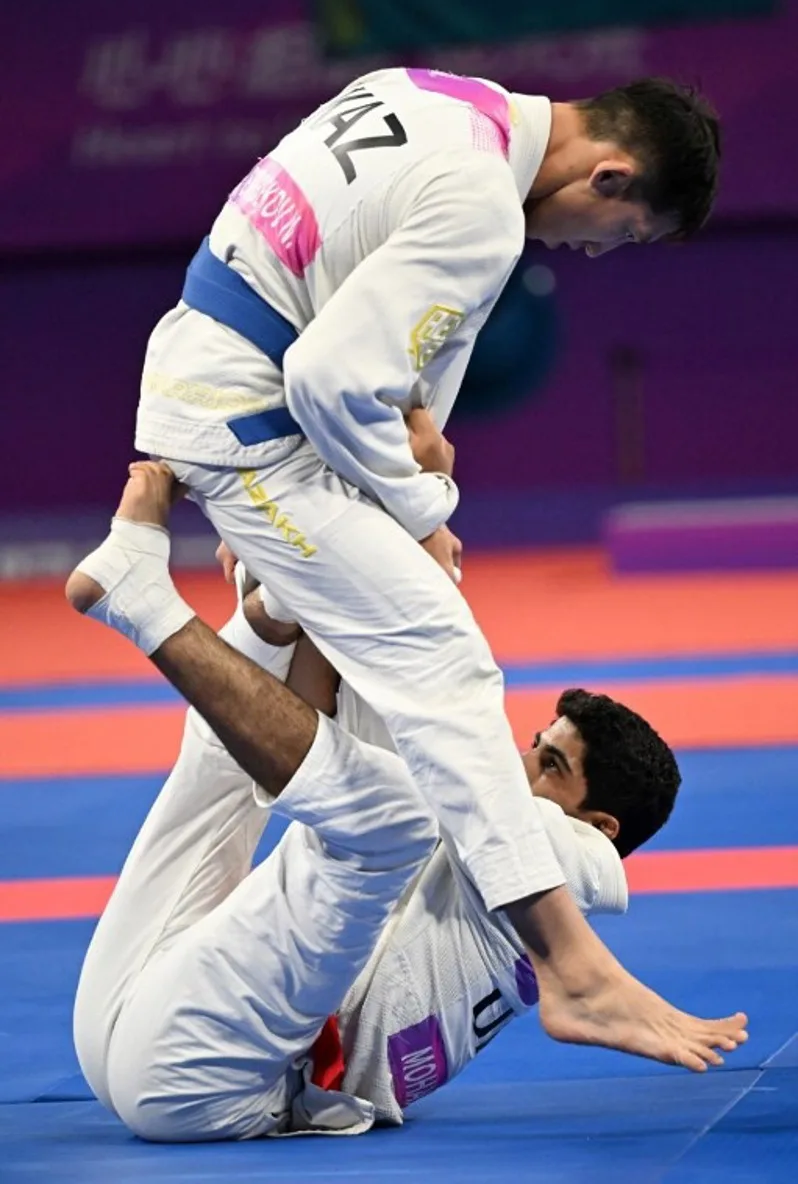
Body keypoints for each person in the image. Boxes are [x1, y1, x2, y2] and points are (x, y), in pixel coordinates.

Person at [130, 68, 729, 1055]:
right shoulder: (488, 209)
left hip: (213, 364)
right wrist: (417, 505)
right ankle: (575, 970)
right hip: (248, 414)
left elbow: (365, 316)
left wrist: (403, 489)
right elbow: (330, 378)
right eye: (616, 235)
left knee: (393, 621)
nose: (587, 249)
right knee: (444, 664)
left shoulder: (438, 95)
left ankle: (279, 596)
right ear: (612, 177)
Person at [67, 463, 746, 1140]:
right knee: (233, 745)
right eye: (534, 743)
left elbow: (420, 704)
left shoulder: (584, 863)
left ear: (600, 822)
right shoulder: (487, 813)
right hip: (134, 1017)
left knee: (400, 816)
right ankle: (261, 599)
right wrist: (291, 572)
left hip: (213, 1080)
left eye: (551, 767)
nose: (517, 762)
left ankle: (148, 605)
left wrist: (409, 542)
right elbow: (317, 708)